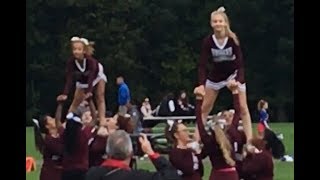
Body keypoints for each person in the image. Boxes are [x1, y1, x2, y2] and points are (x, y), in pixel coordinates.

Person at [194, 6, 253, 142]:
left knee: (243, 108)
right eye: (215, 21)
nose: (218, 24)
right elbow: (202, 65)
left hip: (233, 75)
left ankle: (250, 140)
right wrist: (201, 84)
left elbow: (240, 64)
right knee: (204, 108)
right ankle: (196, 141)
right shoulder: (208, 41)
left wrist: (237, 81)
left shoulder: (232, 40)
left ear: (225, 23)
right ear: (211, 24)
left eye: (220, 21)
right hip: (216, 76)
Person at [194, 80, 241, 180]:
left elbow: (199, 120)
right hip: (232, 175)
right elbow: (238, 112)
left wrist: (199, 99)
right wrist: (235, 92)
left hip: (216, 175)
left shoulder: (209, 140)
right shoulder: (231, 133)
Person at [85, 130, 181, 180]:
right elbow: (171, 176)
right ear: (130, 153)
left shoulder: (91, 174)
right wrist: (151, 153)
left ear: (108, 153)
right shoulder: (139, 177)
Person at [56, 36, 107, 122]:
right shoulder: (71, 62)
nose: (76, 52)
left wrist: (89, 91)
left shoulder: (91, 62)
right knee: (76, 101)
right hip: (82, 80)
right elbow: (69, 79)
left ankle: (102, 120)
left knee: (99, 96)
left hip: (97, 76)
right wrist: (65, 93)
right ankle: (68, 121)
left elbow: (91, 77)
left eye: (79, 49)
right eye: (74, 49)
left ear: (84, 51)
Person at [33, 103, 64, 180]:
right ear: (47, 126)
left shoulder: (61, 134)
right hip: (50, 174)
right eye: (50, 119)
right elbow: (60, 150)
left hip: (60, 173)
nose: (54, 119)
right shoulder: (48, 139)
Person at [62, 111, 93, 180]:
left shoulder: (64, 135)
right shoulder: (83, 134)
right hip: (81, 171)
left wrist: (60, 105)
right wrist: (91, 102)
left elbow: (57, 121)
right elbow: (94, 120)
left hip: (67, 171)